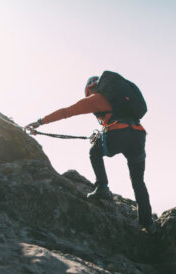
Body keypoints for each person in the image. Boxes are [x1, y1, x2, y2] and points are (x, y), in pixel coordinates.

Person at [24, 72, 155, 232]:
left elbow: (67, 111)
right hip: (138, 134)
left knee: (95, 152)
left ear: (88, 90)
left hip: (119, 132)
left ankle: (102, 187)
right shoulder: (119, 100)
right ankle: (147, 223)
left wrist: (40, 122)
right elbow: (116, 119)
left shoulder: (95, 99)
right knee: (138, 181)